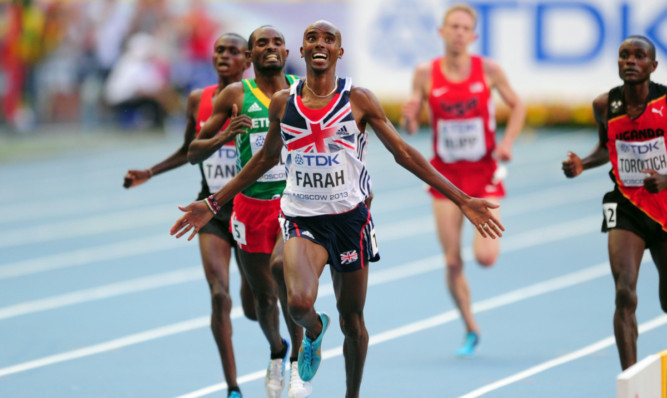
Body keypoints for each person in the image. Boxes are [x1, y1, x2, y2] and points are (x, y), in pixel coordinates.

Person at [171, 20, 504, 398]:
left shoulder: (357, 99)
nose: (320, 43)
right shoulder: (286, 103)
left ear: (338, 52)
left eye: (329, 39)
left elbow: (405, 153)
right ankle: (313, 331)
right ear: (303, 51)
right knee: (297, 303)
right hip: (302, 218)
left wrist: (462, 199)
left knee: (353, 321)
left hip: (349, 219)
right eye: (311, 37)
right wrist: (213, 202)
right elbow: (264, 159)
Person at [122, 33, 255, 398]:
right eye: (219, 51)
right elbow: (188, 150)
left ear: (248, 60)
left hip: (251, 208)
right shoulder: (199, 100)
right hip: (209, 208)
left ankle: (277, 345)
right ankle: (233, 388)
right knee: (218, 295)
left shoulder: (260, 98)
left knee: (256, 306)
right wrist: (150, 171)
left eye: (233, 52)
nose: (224, 57)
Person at [186, 25, 310, 398]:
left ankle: (297, 366)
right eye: (262, 44)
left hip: (293, 205)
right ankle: (277, 351)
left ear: (287, 53)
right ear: (251, 56)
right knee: (263, 300)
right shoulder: (235, 94)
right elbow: (194, 152)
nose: (270, 48)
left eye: (277, 43)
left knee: (287, 284)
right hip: (249, 208)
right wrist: (224, 135)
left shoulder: (303, 92)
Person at [401, 3, 525, 356]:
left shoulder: (489, 70)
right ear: (441, 32)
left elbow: (518, 105)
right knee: (453, 260)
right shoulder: (426, 74)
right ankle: (470, 326)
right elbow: (412, 125)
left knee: (485, 257)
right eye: (452, 26)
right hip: (445, 178)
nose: (457, 32)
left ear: (473, 36)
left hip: (483, 174)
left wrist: (507, 141)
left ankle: (472, 314)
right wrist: (409, 118)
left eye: (464, 28)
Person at [562, 35, 667, 370]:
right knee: (625, 292)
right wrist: (583, 163)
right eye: (624, 56)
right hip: (625, 206)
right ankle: (631, 381)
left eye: (639, 56)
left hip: (665, 207)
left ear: (653, 66)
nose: (630, 61)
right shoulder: (604, 105)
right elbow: (607, 147)